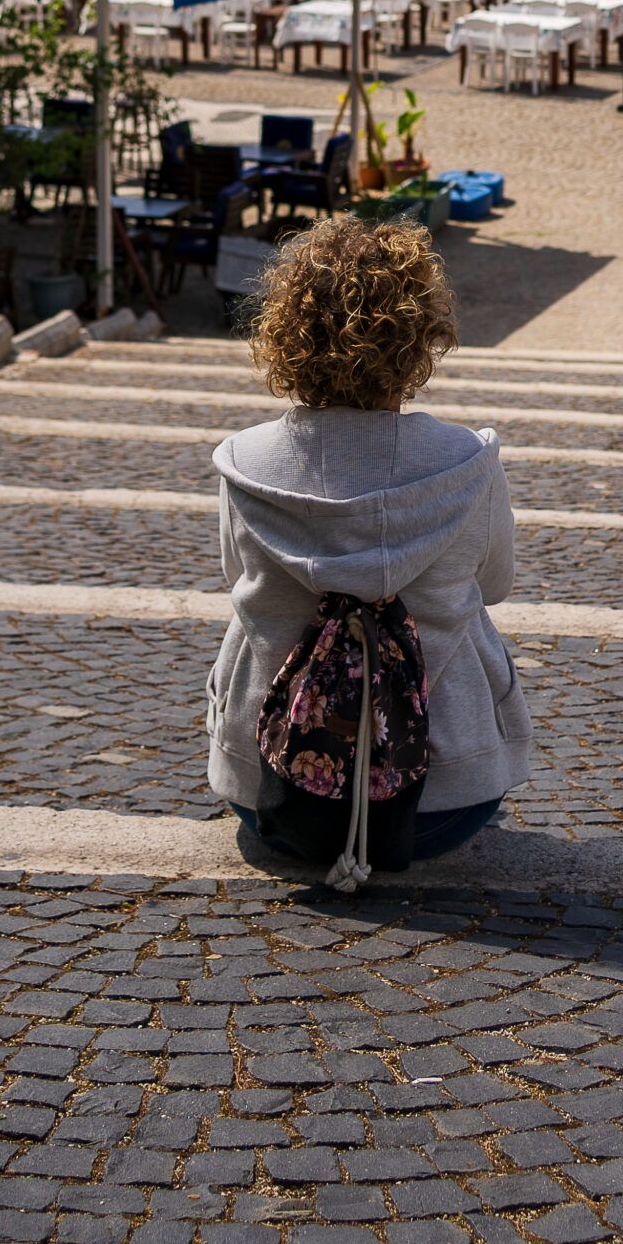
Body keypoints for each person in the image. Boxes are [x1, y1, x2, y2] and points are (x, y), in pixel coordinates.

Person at [207, 214, 531, 866]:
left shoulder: (245, 462)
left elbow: (231, 576)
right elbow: (494, 586)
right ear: (419, 339)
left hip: (268, 788)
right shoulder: (464, 462)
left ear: (288, 334)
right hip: (443, 802)